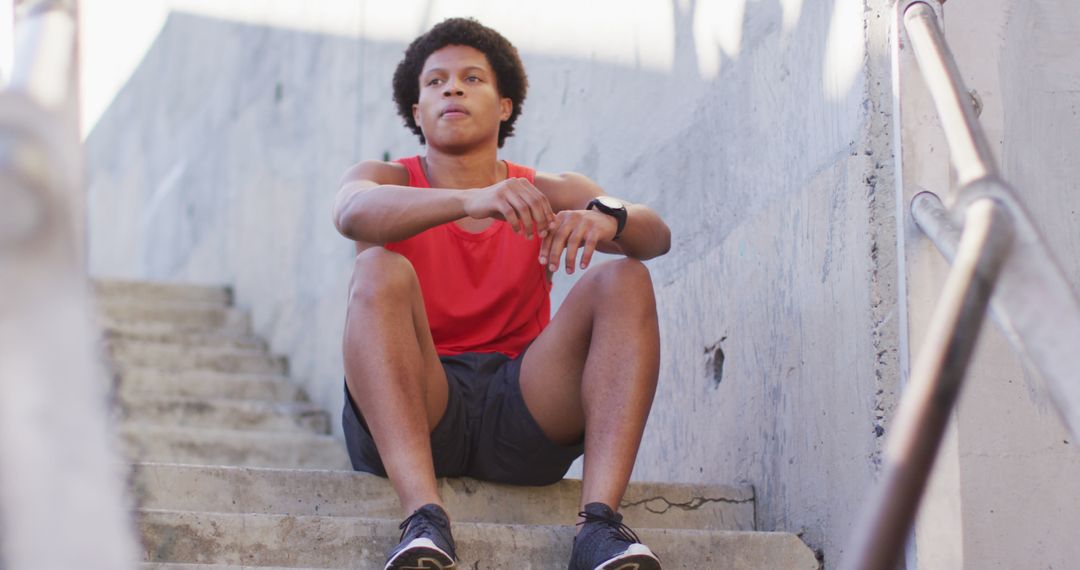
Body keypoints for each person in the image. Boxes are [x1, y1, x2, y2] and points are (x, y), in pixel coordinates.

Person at [331, 17, 671, 570]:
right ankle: (424, 520)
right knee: (376, 269)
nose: (453, 89)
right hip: (419, 402)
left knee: (626, 276)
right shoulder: (387, 178)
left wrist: (610, 218)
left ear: (505, 104)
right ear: (417, 112)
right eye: (435, 82)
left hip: (522, 411)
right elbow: (350, 212)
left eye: (472, 78)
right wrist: (470, 200)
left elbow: (656, 237)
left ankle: (600, 527)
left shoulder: (546, 190)